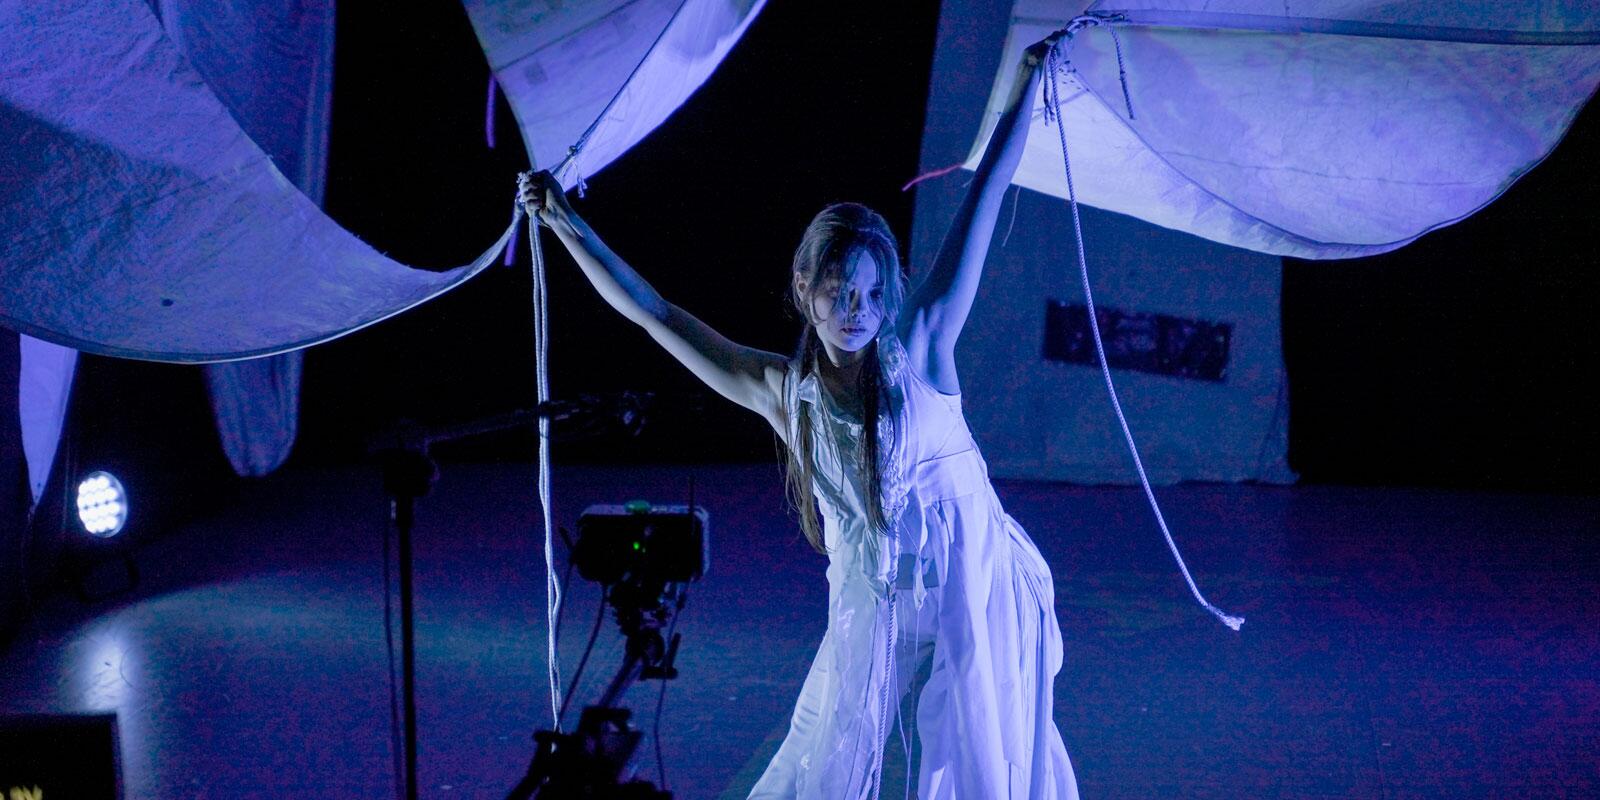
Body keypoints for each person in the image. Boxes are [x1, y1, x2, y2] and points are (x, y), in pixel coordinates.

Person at [519, 31, 1076, 800]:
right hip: (869, 598)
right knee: (826, 758)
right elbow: (656, 314)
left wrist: (1025, 84)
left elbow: (986, 196)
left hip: (969, 585)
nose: (857, 312)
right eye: (840, 294)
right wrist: (566, 227)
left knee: (976, 761)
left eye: (872, 296)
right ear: (805, 287)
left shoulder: (923, 344)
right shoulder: (786, 393)